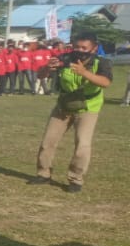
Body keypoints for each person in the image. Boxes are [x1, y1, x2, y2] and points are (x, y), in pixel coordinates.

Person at [28, 31, 112, 193]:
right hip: (64, 105)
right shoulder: (65, 58)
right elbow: (40, 75)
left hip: (88, 107)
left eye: (84, 48)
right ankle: (43, 173)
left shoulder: (102, 62)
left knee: (82, 144)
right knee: (48, 141)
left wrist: (84, 72)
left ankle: (75, 179)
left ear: (94, 48)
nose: (79, 50)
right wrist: (47, 68)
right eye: (76, 47)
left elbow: (105, 82)